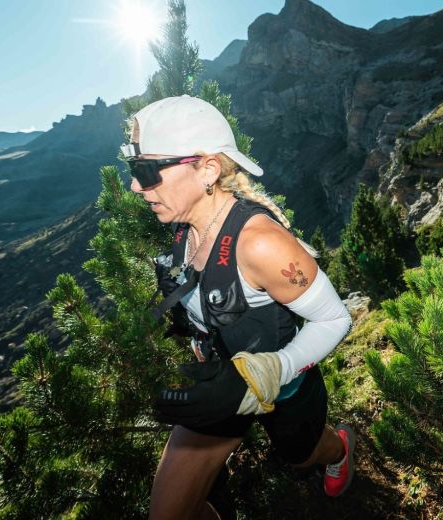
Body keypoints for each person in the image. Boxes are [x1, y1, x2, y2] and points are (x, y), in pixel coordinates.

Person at [123, 95, 355, 519]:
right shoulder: (184, 225)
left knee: (300, 456)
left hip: (285, 387)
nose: (136, 187)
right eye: (133, 170)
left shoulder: (260, 244)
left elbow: (336, 318)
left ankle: (338, 447)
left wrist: (270, 372)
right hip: (219, 387)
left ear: (208, 169)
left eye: (147, 171)